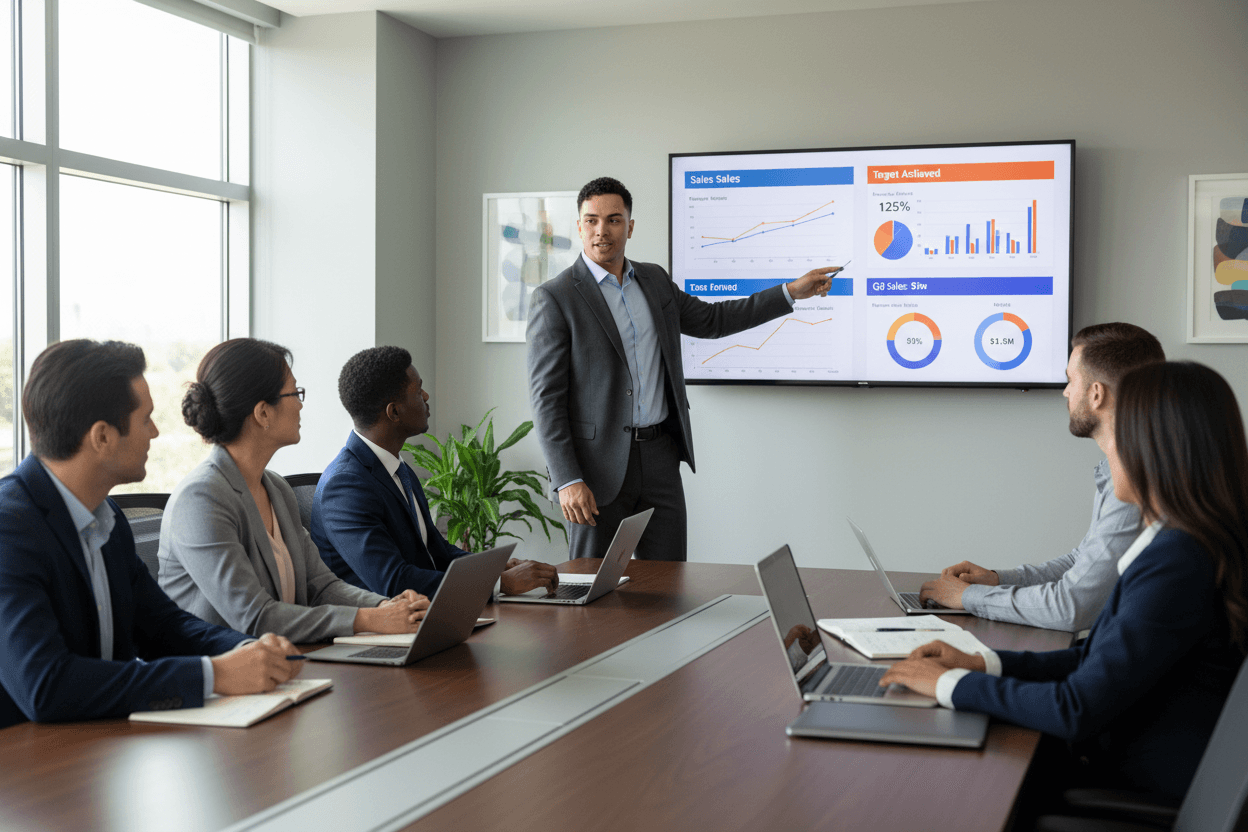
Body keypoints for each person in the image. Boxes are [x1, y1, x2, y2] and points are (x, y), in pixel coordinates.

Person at [881, 361, 1248, 803]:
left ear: (1155, 449)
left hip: (1128, 785)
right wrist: (982, 664)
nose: (1108, 450)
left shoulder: (1178, 560)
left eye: (1118, 434)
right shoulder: (1187, 542)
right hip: (1133, 762)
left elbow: (1076, 708)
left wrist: (948, 685)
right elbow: (1092, 660)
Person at [527, 176, 839, 562]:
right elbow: (546, 401)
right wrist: (567, 479)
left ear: (630, 226)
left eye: (613, 220)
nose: (601, 230)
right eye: (591, 220)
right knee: (594, 585)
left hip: (660, 458)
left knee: (671, 581)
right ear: (579, 226)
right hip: (596, 469)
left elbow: (714, 320)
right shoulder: (555, 298)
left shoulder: (654, 280)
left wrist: (790, 292)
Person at [0, 340, 302, 728]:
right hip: (27, 755)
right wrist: (214, 675)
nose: (156, 433)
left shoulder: (106, 516)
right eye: (146, 420)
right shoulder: (9, 528)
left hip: (102, 741)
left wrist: (250, 650)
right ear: (102, 437)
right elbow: (47, 686)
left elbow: (164, 626)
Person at [159, 338, 428, 643]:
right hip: (224, 667)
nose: (300, 404)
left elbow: (322, 587)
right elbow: (255, 617)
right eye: (294, 393)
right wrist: (370, 619)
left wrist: (386, 607)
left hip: (289, 659)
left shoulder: (276, 488)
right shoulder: (200, 499)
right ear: (263, 413)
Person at [919, 322, 1164, 632]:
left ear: (1096, 394)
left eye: (1071, 380)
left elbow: (1072, 607)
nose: (1065, 392)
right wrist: (997, 579)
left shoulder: (1135, 485)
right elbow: (1083, 561)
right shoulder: (1126, 467)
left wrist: (968, 597)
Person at [312, 346, 559, 597]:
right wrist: (499, 583)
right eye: (418, 391)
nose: (426, 396)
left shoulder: (397, 468)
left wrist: (493, 568)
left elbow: (436, 552)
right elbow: (393, 582)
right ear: (394, 411)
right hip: (386, 618)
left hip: (427, 610)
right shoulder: (345, 486)